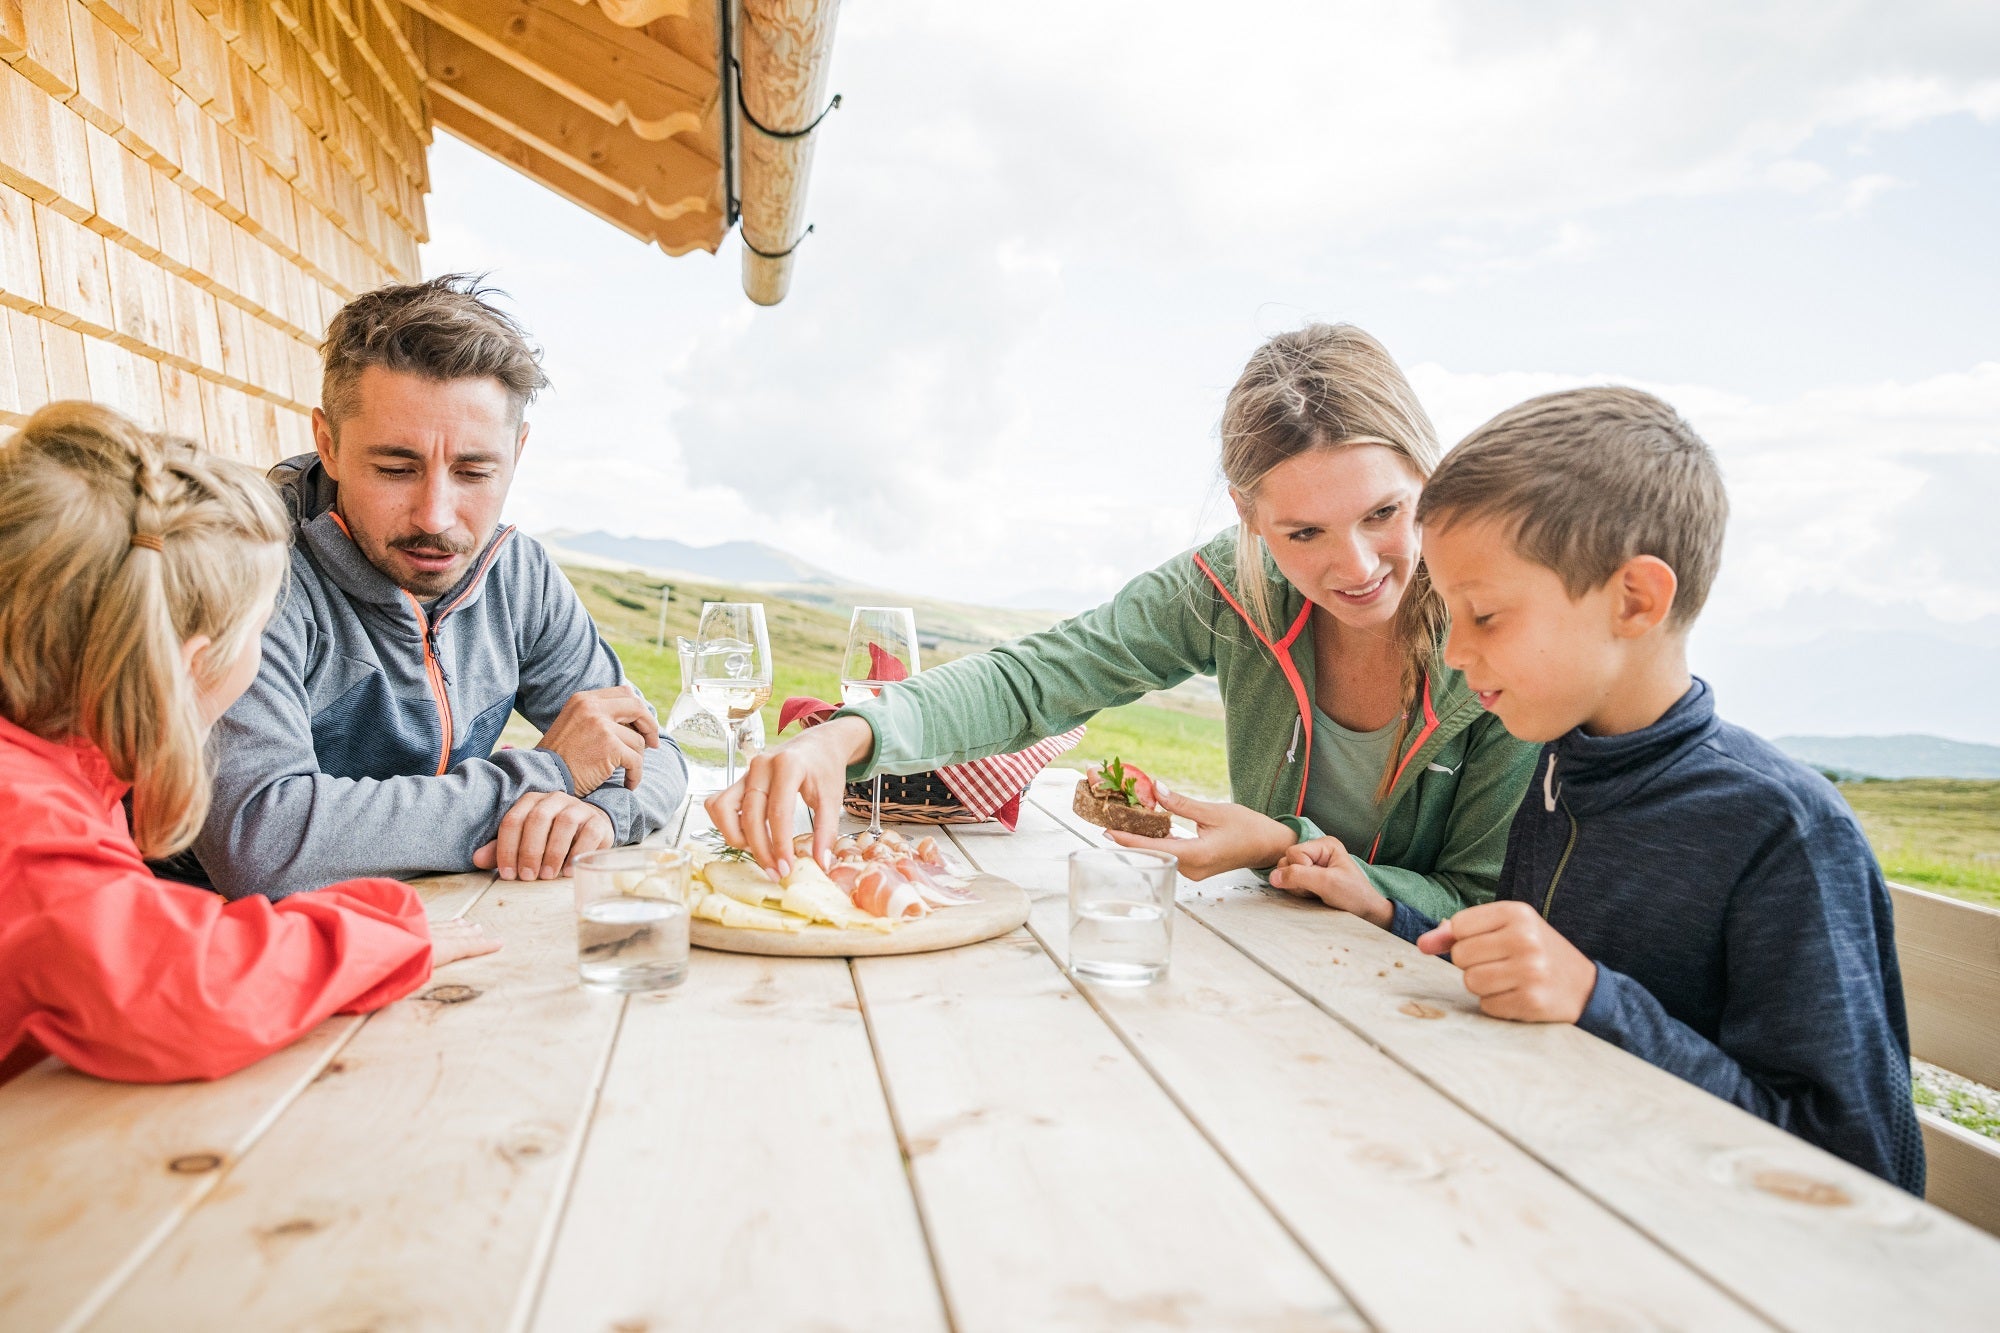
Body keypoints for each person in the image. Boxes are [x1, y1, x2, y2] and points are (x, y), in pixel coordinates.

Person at [1279, 387, 1923, 1192]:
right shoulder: (1559, 764)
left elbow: (1861, 1162)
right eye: (1447, 615)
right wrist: (1387, 910)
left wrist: (1595, 999)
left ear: (1634, 600)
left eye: (1483, 615)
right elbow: (1534, 975)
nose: (1452, 654)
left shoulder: (1779, 829)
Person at [711, 324, 1541, 925]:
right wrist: (841, 737)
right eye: (1304, 534)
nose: (1356, 566)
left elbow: (1482, 899)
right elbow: (1037, 678)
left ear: (1427, 472)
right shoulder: (1229, 586)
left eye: (1384, 512)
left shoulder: (1502, 631)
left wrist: (1286, 845)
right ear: (1248, 518)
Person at [0, 403, 500, 1085]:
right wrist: (386, 932)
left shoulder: (54, 775)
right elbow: (184, 990)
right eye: (260, 634)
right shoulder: (26, 823)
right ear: (189, 663)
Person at [189, 275, 687, 899]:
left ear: (518, 452)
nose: (437, 516)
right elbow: (264, 839)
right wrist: (549, 777)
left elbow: (650, 748)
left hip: (434, 937)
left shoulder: (519, 576)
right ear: (329, 444)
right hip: (235, 958)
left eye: (474, 471)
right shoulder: (248, 568)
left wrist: (601, 816)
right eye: (396, 469)